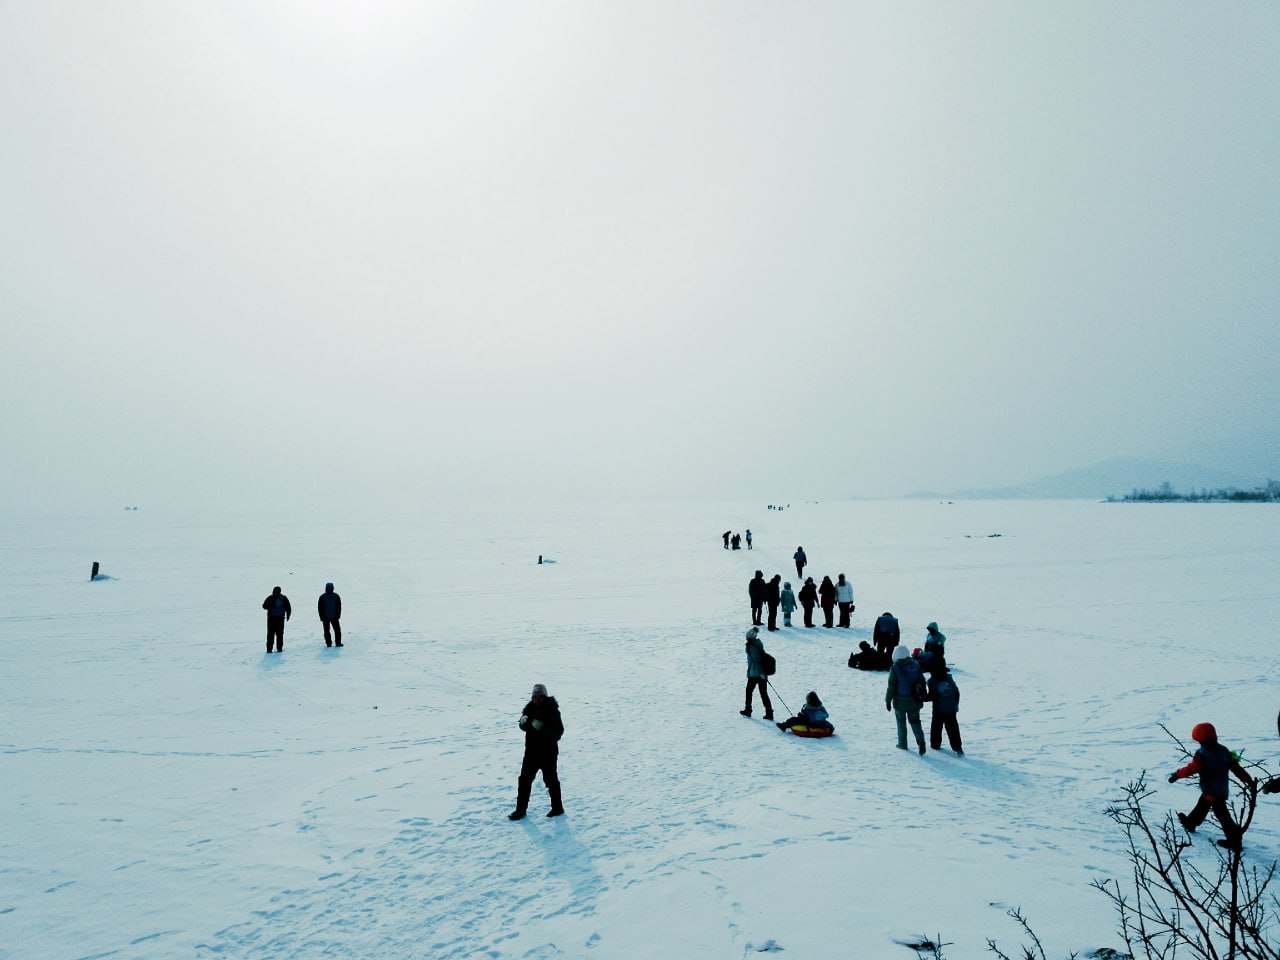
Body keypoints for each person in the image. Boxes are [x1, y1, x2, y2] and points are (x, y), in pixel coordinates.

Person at [1168, 722, 1254, 851]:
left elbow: (1192, 769)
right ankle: (1191, 823)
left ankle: (1234, 841)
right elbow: (1236, 768)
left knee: (1222, 815)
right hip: (1222, 789)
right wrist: (1249, 780)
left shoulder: (1202, 754)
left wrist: (1177, 774)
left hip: (1210, 789)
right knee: (1203, 805)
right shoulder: (1224, 750)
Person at [509, 683, 565, 820]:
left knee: (550, 780)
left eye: (540, 697)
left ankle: (557, 808)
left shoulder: (552, 710)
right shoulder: (529, 709)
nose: (537, 700)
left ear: (545, 697)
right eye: (535, 697)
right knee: (524, 780)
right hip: (531, 752)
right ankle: (520, 810)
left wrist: (542, 730)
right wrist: (523, 723)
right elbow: (527, 726)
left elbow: (559, 731)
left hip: (548, 753)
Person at [885, 645, 927, 754]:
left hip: (900, 701)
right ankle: (921, 741)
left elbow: (891, 686)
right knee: (915, 722)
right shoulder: (916, 664)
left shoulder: (895, 668)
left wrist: (888, 700)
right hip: (915, 700)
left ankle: (902, 744)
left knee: (901, 722)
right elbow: (922, 680)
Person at [741, 627, 774, 720]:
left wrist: (761, 673)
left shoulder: (752, 646)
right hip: (759, 673)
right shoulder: (757, 643)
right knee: (763, 693)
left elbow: (757, 660)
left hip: (755, 673)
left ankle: (748, 710)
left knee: (749, 691)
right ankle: (769, 712)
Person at [927, 668, 963, 754]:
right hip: (951, 708)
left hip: (938, 709)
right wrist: (955, 704)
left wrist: (922, 697)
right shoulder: (949, 678)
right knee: (953, 729)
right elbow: (957, 692)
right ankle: (957, 747)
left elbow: (931, 696)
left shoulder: (932, 681)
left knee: (936, 727)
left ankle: (935, 745)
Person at [262, 586, 291, 653]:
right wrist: (288, 615)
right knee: (276, 634)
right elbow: (264, 606)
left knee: (275, 634)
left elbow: (288, 607)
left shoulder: (280, 598)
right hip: (275, 619)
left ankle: (274, 649)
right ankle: (274, 649)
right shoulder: (276, 598)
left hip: (276, 619)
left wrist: (288, 615)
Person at [317, 582, 342, 647]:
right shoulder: (336, 596)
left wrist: (321, 617)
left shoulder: (322, 596)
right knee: (337, 630)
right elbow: (339, 607)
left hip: (326, 617)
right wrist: (338, 615)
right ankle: (338, 643)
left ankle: (329, 643)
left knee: (327, 631)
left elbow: (319, 608)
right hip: (334, 617)